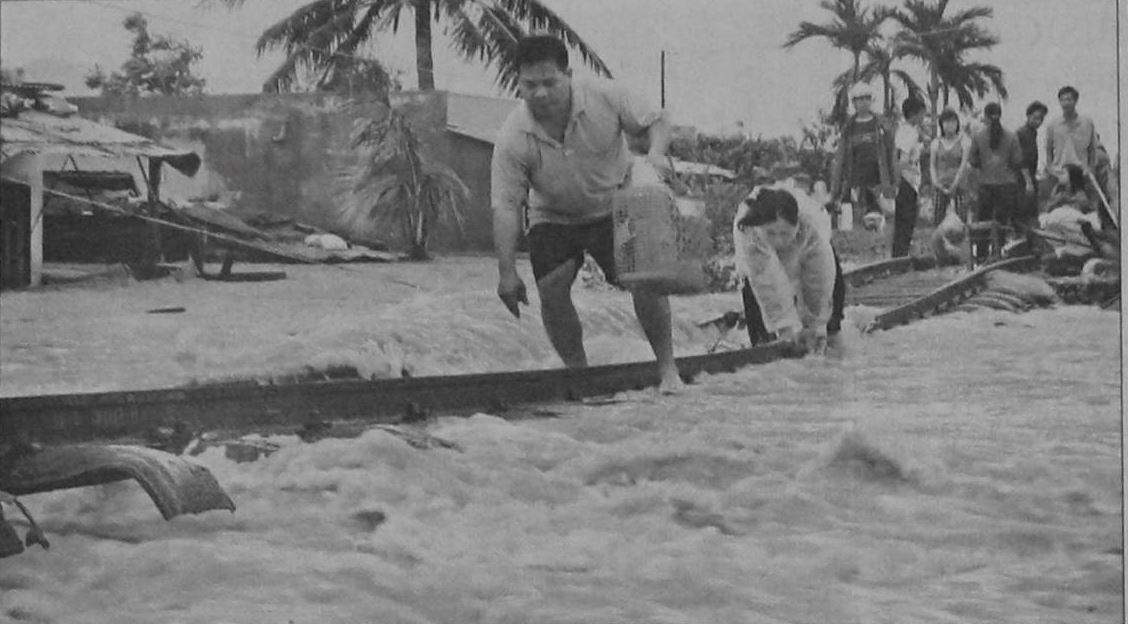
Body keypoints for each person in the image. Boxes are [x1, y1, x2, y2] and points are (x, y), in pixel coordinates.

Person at [490, 35, 682, 390]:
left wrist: (656, 152)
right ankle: (578, 374)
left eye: (550, 82)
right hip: (553, 216)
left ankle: (668, 370)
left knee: (646, 281)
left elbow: (657, 120)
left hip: (615, 206)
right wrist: (506, 273)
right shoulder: (513, 136)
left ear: (568, 75)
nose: (540, 94)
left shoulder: (605, 95)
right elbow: (505, 206)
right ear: (519, 82)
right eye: (530, 85)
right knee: (551, 288)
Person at [733, 186, 844, 355]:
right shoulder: (750, 232)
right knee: (755, 292)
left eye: (784, 233)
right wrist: (785, 328)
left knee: (826, 325)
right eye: (771, 233)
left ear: (796, 226)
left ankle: (834, 343)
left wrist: (816, 325)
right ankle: (762, 344)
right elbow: (766, 282)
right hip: (759, 265)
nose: (778, 240)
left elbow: (818, 280)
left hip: (810, 252)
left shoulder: (810, 225)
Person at [966, 102, 1030, 260]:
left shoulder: (978, 136)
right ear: (1000, 116)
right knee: (1002, 223)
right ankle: (998, 254)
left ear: (985, 117)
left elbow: (973, 160)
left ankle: (981, 256)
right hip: (1007, 186)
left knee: (982, 223)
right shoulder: (1011, 136)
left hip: (985, 185)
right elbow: (1017, 161)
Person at [829, 83, 896, 229]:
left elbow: (891, 153)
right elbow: (840, 159)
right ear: (854, 102)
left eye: (867, 98)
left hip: (878, 180)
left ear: (871, 100)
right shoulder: (849, 128)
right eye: (860, 99)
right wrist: (836, 188)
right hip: (856, 180)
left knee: (881, 215)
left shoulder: (881, 125)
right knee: (857, 218)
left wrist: (893, 181)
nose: (864, 102)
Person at [892, 96, 927, 258]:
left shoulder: (904, 130)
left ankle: (900, 255)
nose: (923, 117)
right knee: (906, 223)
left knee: (903, 224)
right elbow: (903, 160)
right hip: (908, 182)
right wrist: (911, 173)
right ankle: (900, 256)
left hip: (908, 182)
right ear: (914, 114)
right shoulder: (909, 133)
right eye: (922, 114)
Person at [1045, 86, 1099, 187]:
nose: (1065, 103)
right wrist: (1051, 169)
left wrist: (1090, 169)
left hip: (1082, 173)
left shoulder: (1087, 122)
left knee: (1093, 196)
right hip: (1059, 173)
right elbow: (1048, 150)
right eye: (1062, 100)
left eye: (1069, 99)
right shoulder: (1052, 125)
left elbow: (1092, 149)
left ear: (1075, 101)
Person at [928, 108, 971, 225]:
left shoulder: (965, 141)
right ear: (941, 124)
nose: (950, 125)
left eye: (953, 121)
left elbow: (963, 165)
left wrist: (955, 183)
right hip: (940, 185)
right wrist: (935, 182)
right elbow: (932, 165)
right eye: (946, 122)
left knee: (961, 220)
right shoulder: (936, 143)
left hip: (960, 186)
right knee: (938, 219)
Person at [1015, 101, 1048, 230]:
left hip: (1030, 176)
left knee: (1031, 212)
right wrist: (1028, 182)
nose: (1038, 122)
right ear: (1028, 116)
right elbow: (1021, 160)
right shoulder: (1023, 133)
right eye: (1035, 118)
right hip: (1022, 179)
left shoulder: (1033, 133)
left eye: (1041, 119)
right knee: (1024, 213)